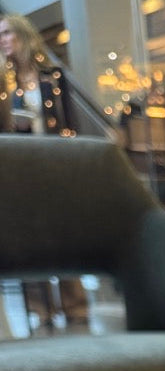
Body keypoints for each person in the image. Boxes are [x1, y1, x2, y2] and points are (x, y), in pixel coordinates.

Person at [1, 13, 88, 331]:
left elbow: (71, 123)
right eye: (0, 35)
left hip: (55, 165)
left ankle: (75, 306)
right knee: (29, 240)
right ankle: (41, 311)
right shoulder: (2, 83)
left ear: (23, 35)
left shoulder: (52, 76)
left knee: (64, 236)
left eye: (8, 32)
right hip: (21, 169)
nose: (4, 39)